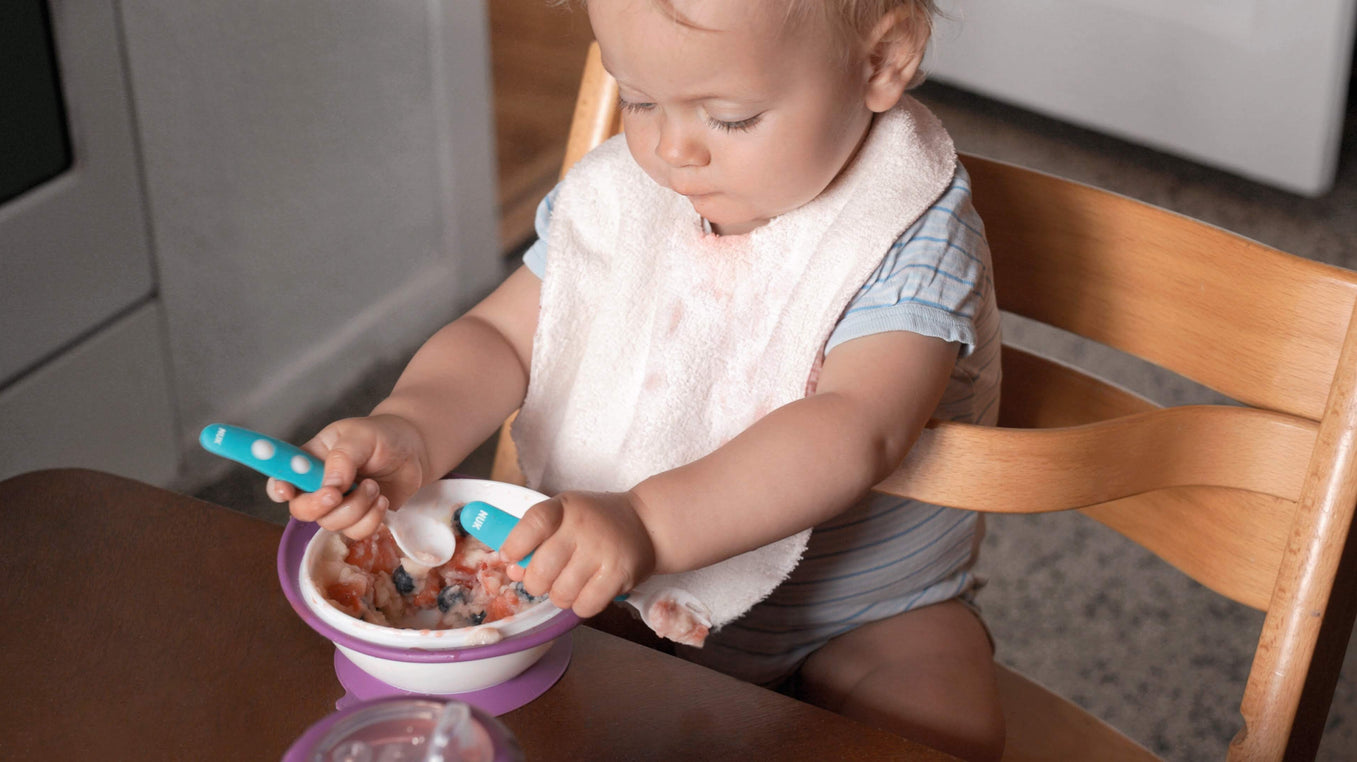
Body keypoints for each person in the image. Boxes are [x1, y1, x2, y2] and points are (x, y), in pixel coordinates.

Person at [269, 0, 1003, 757]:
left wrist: (648, 524)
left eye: (731, 117)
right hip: (617, 582)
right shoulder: (624, 199)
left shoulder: (905, 230)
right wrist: (412, 427)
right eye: (640, 100)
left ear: (880, 62)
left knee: (941, 737)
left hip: (866, 613)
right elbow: (499, 335)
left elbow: (855, 427)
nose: (671, 149)